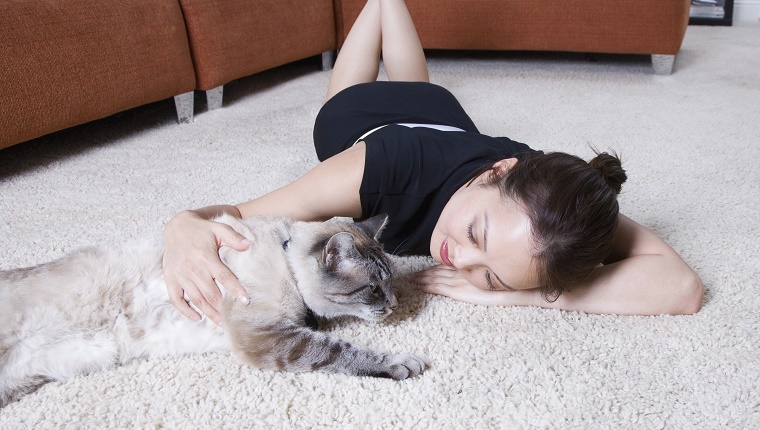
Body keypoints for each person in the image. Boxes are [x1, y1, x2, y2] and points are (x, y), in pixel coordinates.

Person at [162, 0, 704, 326]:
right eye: (476, 232)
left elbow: (681, 288)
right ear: (500, 170)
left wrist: (532, 297)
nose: (456, 257)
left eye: (490, 276)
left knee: (419, 84)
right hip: (367, 123)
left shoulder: (557, 205)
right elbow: (236, 215)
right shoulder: (376, 169)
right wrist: (181, 225)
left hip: (446, 121)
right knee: (351, 88)